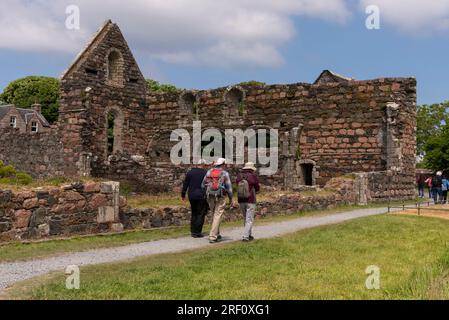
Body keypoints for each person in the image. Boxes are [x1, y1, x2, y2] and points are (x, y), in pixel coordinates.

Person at [202, 158, 235, 243]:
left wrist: (207, 191)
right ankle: (213, 236)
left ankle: (217, 233)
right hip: (220, 196)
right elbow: (229, 188)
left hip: (210, 196)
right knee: (217, 215)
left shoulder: (209, 172)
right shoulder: (224, 173)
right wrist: (231, 199)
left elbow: (202, 184)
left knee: (214, 214)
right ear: (223, 164)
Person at [182, 160, 208, 238]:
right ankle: (197, 232)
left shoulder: (190, 172)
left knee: (194, 212)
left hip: (192, 195)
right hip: (201, 195)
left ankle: (193, 231)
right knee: (201, 213)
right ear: (203, 165)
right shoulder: (206, 173)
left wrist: (183, 194)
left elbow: (185, 184)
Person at [236, 162, 260, 242]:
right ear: (251, 169)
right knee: (249, 219)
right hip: (250, 200)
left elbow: (237, 185)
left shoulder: (239, 176)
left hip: (241, 200)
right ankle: (245, 237)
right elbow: (257, 188)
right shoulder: (253, 176)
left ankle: (249, 235)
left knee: (245, 218)